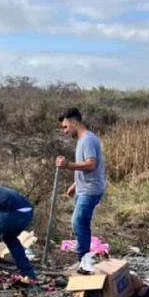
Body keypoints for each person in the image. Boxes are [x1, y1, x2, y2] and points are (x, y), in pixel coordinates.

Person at [56, 107, 106, 263]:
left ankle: (83, 259)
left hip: (90, 190)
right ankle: (84, 258)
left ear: (74, 122)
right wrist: (75, 184)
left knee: (78, 222)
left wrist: (67, 165)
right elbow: (86, 166)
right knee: (82, 223)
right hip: (83, 188)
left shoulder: (88, 140)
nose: (64, 131)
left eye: (65, 127)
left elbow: (91, 164)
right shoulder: (82, 140)